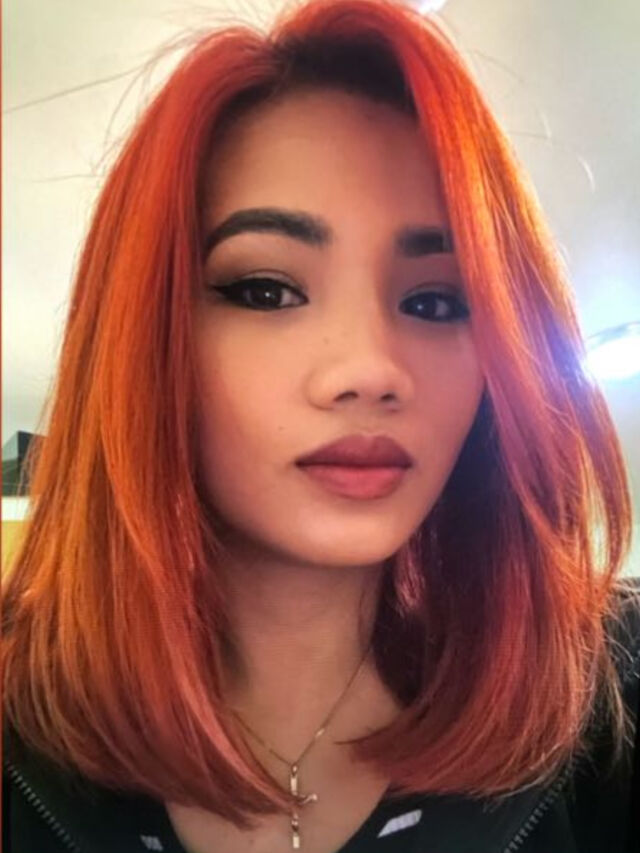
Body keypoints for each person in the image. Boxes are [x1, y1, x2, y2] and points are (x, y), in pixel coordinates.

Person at [2, 0, 639, 851]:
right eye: (266, 290)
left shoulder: (605, 703)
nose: (371, 368)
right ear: (142, 335)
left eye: (434, 301)